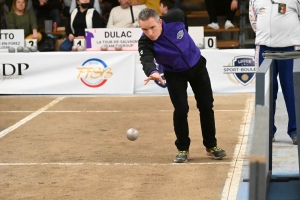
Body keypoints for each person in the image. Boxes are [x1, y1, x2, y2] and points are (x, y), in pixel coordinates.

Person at [137, 8, 227, 163]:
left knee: (206, 106)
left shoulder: (175, 17)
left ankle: (211, 146)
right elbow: (146, 60)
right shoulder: (145, 42)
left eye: (152, 27)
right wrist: (153, 71)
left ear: (160, 22)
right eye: (145, 29)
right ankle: (183, 149)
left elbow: (184, 22)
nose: (150, 33)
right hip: (174, 74)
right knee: (181, 110)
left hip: (197, 66)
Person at [249, 0, 300, 145]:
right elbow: (253, 20)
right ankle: (267, 131)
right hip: (264, 49)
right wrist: (266, 36)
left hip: (291, 48)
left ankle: (296, 130)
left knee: (293, 92)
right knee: (265, 92)